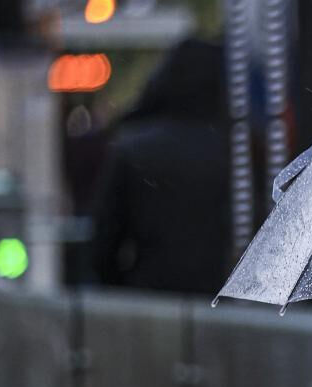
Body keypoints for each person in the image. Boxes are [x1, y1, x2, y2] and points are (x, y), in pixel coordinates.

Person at [89, 37, 232, 295]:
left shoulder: (132, 148)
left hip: (150, 297)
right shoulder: (234, 150)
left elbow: (104, 242)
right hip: (218, 299)